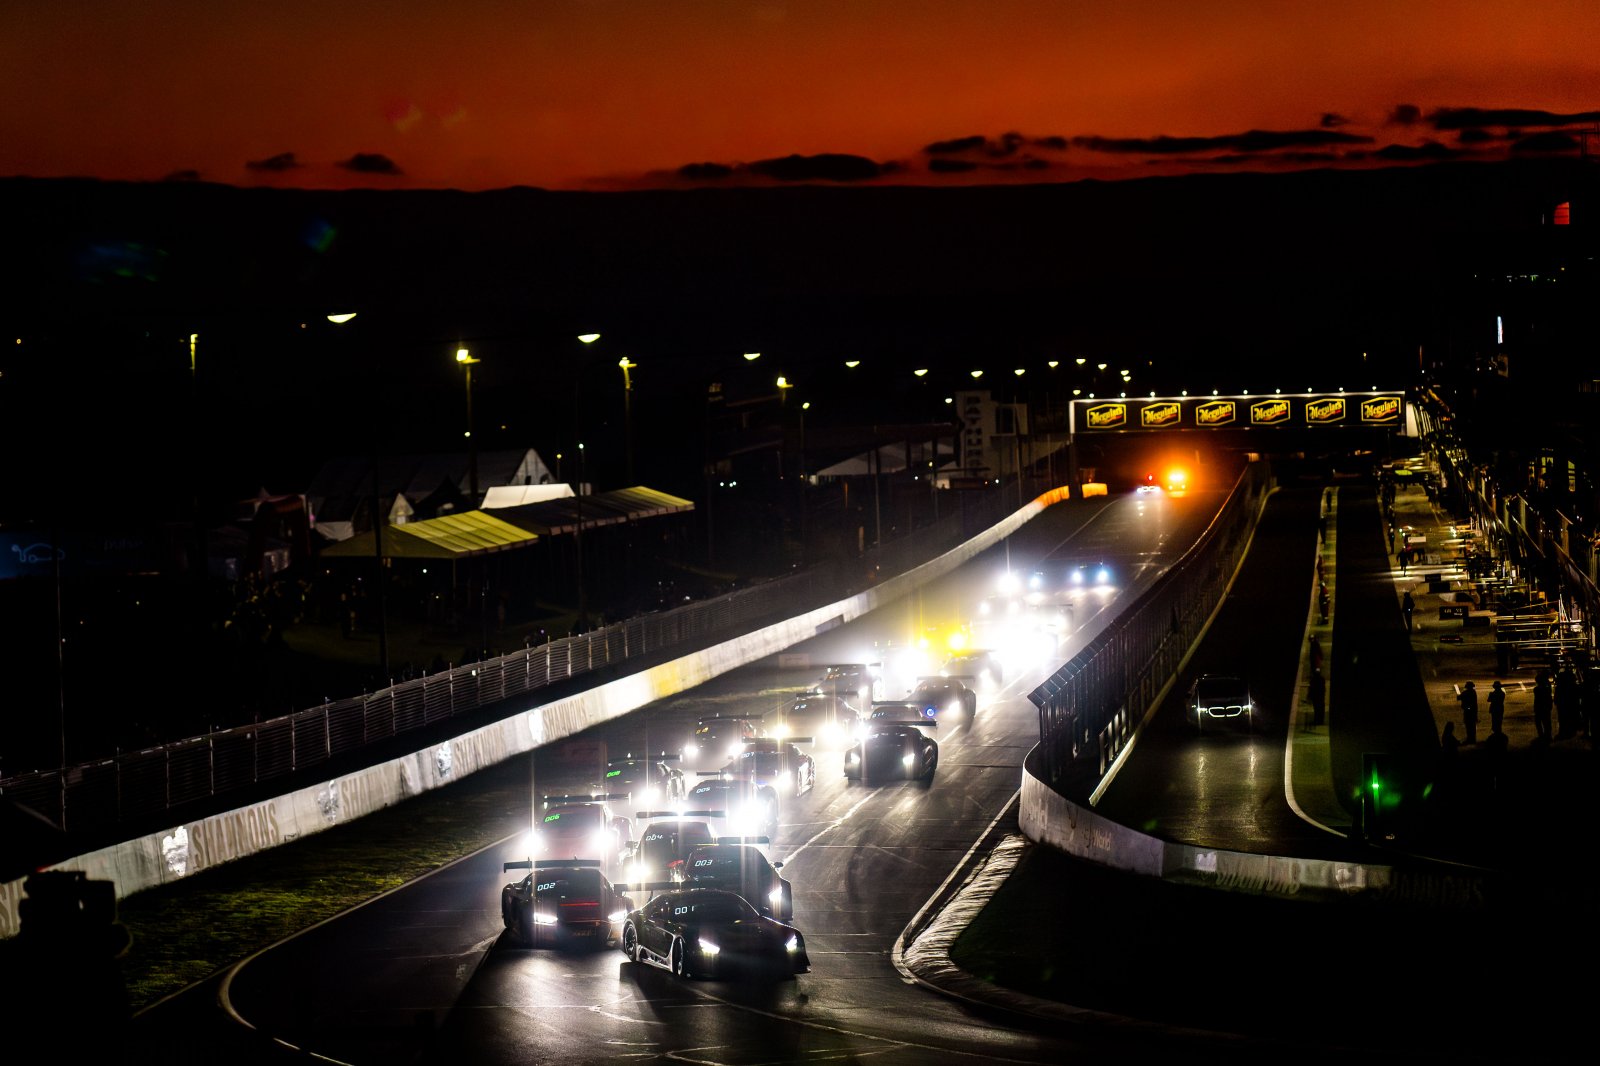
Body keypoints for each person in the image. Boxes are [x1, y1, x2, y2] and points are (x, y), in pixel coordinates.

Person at [1533, 669, 1554, 741]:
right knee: (1546, 721)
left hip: (1540, 707)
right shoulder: (1547, 686)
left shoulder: (1537, 689)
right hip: (1546, 706)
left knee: (1540, 721)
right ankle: (1547, 735)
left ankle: (1542, 735)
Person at [1457, 680, 1479, 744]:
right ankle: (1473, 739)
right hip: (1473, 711)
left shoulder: (1465, 693)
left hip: (1468, 711)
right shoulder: (1473, 692)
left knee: (1468, 725)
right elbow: (1475, 704)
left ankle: (1470, 739)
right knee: (1472, 726)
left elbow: (1459, 697)